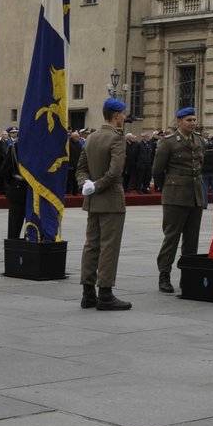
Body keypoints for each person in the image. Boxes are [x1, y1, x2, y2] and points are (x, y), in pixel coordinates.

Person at [76, 97, 131, 311]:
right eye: (123, 114)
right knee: (109, 246)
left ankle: (88, 293)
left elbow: (80, 168)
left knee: (91, 245)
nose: (125, 118)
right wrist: (97, 185)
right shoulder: (117, 139)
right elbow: (115, 171)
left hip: (93, 200)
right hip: (110, 199)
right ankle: (105, 293)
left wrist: (87, 185)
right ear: (116, 115)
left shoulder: (91, 138)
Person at [153, 108, 206, 293]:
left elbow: (200, 165)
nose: (192, 123)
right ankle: (164, 274)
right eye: (188, 120)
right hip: (175, 195)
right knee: (172, 237)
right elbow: (157, 170)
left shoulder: (199, 140)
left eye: (194, 119)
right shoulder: (168, 143)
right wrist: (168, 187)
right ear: (179, 122)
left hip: (195, 194)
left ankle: (188, 276)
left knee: (192, 240)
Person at [0, 126, 28, 239]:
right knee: (34, 228)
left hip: (18, 188)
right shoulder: (40, 147)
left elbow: (4, 170)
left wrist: (12, 182)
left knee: (14, 226)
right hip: (36, 190)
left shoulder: (15, 147)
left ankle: (14, 252)